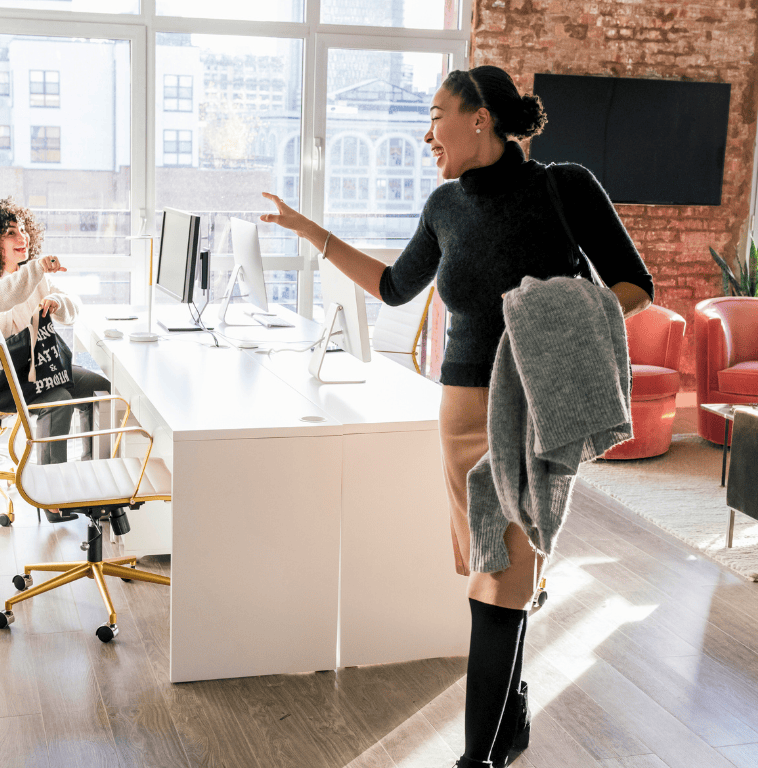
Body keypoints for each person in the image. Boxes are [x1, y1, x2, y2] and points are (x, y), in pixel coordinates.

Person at [261, 66, 653, 768]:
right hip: (460, 413)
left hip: (532, 407)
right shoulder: (444, 206)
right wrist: (309, 231)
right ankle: (511, 719)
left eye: (437, 114)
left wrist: (555, 332)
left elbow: (633, 285)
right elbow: (390, 287)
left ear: (480, 117)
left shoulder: (565, 188)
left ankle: (477, 761)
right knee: (497, 571)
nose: (427, 132)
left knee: (495, 586)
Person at [0, 198, 110, 476]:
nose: (21, 237)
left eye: (23, 230)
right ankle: (52, 492)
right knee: (58, 400)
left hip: (31, 369)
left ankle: (90, 470)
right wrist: (36, 269)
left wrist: (58, 302)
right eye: (10, 232)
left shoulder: (30, 275)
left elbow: (74, 305)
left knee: (101, 388)